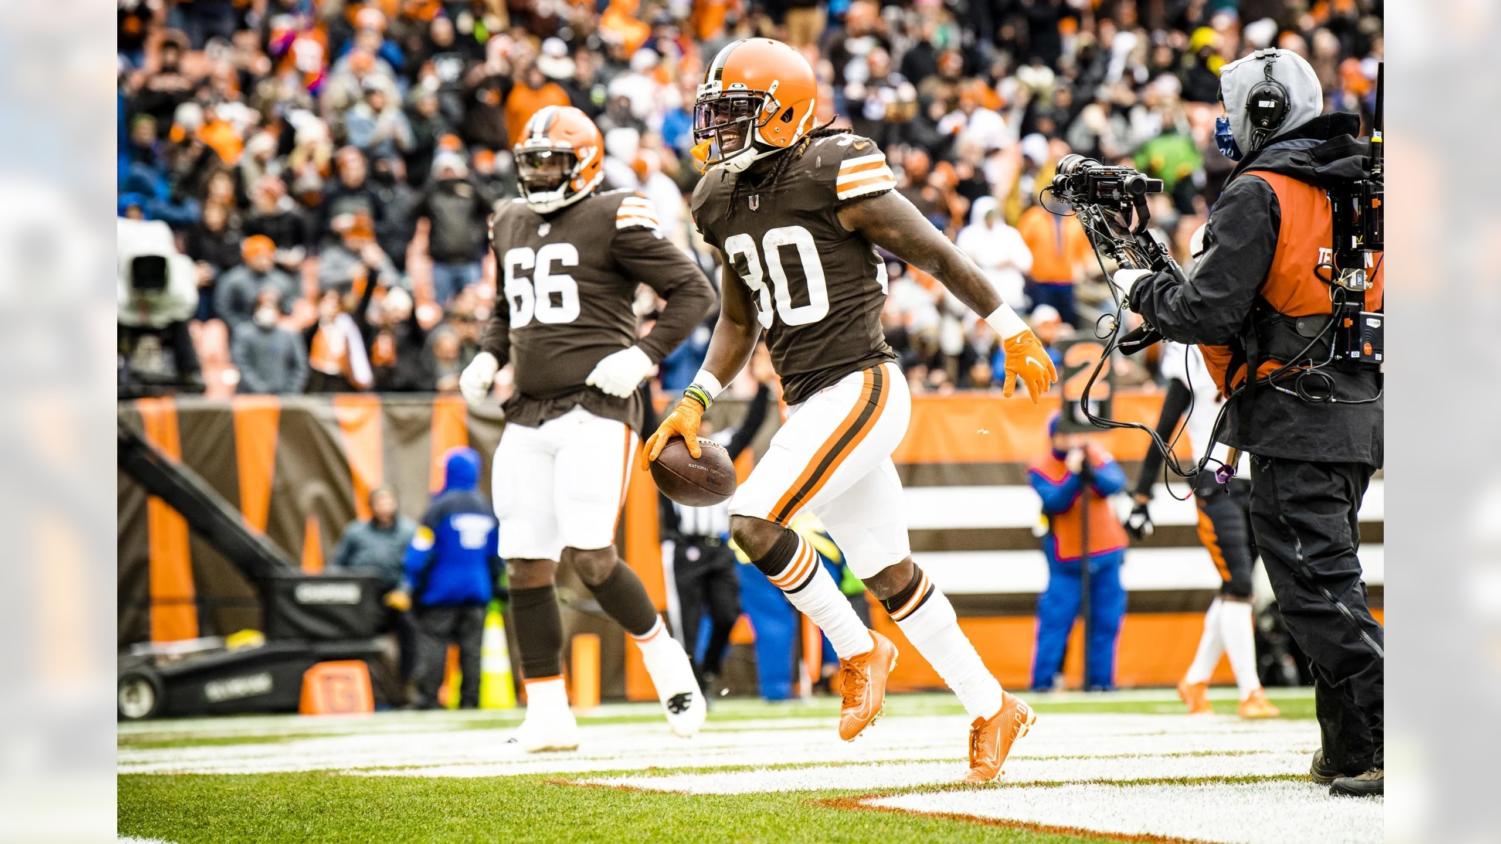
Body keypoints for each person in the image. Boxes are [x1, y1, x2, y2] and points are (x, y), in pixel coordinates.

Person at [645, 39, 1056, 785]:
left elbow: (932, 251)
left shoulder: (834, 165)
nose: (720, 130)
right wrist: (696, 398)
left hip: (861, 386)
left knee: (752, 522)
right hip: (807, 396)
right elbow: (739, 320)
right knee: (888, 574)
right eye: (716, 114)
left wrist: (1011, 328)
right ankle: (992, 705)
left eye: (737, 114)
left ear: (786, 112)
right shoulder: (715, 197)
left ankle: (858, 649)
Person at [1121, 48, 1383, 797]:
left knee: (1310, 589)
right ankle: (1350, 749)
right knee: (1330, 582)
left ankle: (1399, 732)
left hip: (1295, 413)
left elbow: (1209, 311)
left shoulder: (1260, 189)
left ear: (1261, 110)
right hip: (1356, 406)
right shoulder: (1355, 183)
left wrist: (1143, 292)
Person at [457, 106, 716, 750]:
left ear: (586, 163)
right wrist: (490, 353)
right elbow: (504, 306)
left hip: (597, 408)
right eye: (533, 161)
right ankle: (547, 713)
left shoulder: (614, 213)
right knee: (522, 561)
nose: (541, 173)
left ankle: (665, 657)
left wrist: (645, 355)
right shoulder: (509, 219)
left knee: (591, 554)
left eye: (553, 161)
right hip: (529, 407)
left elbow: (694, 292)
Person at [1128, 340, 1280, 720]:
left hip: (1258, 482)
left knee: (1233, 587)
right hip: (1216, 482)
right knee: (1241, 585)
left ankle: (1195, 681)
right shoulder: (1191, 355)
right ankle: (1251, 691)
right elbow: (1164, 430)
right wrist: (1142, 495)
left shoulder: (1256, 341)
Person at [659, 360, 773, 692]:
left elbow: (750, 428)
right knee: (688, 625)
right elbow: (647, 428)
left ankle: (707, 671)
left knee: (727, 613)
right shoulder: (667, 458)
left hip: (718, 546)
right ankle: (691, 686)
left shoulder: (718, 457)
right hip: (685, 547)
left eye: (705, 425)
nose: (702, 431)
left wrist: (764, 386)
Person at [388, 448, 502, 710]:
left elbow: (421, 549)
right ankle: (470, 700)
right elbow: (496, 554)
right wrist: (495, 583)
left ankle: (428, 698)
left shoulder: (439, 507)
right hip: (477, 589)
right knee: (472, 648)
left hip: (442, 590)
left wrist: (410, 582)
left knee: (433, 643)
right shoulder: (485, 507)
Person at [1027, 416, 1128, 692]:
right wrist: (1074, 477)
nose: (1070, 440)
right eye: (1064, 434)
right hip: (1067, 558)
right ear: (1054, 437)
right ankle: (1043, 682)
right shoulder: (1040, 465)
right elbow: (1054, 501)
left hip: (1106, 552)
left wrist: (1089, 471)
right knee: (1055, 622)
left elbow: (1115, 483)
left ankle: (1101, 682)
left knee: (1106, 622)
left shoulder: (1094, 453)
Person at [231, 289, 308, 394]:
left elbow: (300, 367)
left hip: (283, 398)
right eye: (263, 305)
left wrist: (291, 391)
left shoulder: (290, 335)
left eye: (272, 306)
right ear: (256, 308)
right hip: (250, 397)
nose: (268, 310)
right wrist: (257, 388)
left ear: (278, 310)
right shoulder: (243, 333)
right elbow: (240, 363)